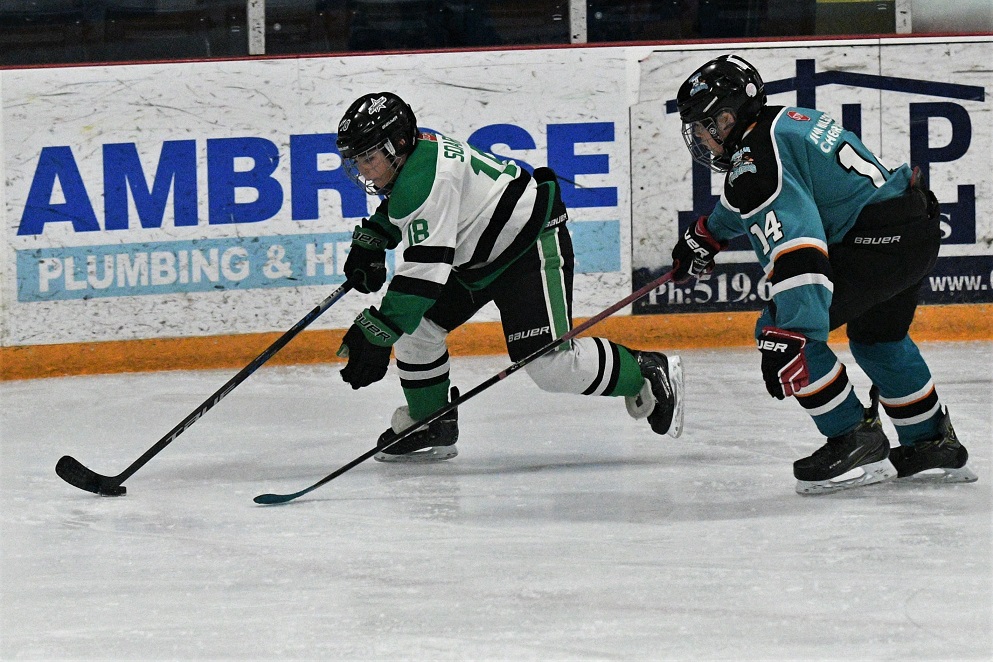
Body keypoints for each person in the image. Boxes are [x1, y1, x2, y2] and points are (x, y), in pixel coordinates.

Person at [670, 54, 978, 494]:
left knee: (783, 331)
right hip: (912, 227)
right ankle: (931, 443)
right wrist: (709, 233)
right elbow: (766, 189)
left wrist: (793, 334)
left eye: (703, 124)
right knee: (879, 340)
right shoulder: (783, 122)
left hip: (873, 244)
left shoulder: (753, 161)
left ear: (726, 116)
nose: (700, 135)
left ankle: (854, 439)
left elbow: (797, 248)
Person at [334, 92, 684, 462]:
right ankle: (430, 422)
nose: (364, 170)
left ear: (398, 143)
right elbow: (411, 208)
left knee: (550, 366)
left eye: (369, 158)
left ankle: (643, 371)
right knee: (416, 327)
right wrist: (374, 237)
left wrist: (379, 330)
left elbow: (423, 275)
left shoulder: (426, 179)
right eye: (357, 160)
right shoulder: (418, 156)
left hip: (527, 247)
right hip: (479, 260)